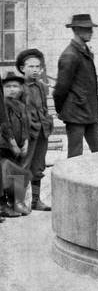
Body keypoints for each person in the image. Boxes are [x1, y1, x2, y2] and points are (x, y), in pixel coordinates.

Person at [54, 14, 98, 158]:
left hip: (89, 112)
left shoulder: (84, 51)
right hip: (76, 113)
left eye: (91, 28)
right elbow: (60, 89)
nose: (91, 32)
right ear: (76, 30)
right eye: (86, 29)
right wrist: (62, 110)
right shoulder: (70, 55)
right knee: (75, 155)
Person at [15, 48, 53, 211]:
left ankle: (36, 201)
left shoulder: (41, 87)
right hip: (26, 134)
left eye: (38, 66)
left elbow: (44, 108)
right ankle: (18, 202)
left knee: (38, 167)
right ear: (23, 68)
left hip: (42, 132)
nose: (35, 70)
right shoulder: (18, 88)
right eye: (31, 66)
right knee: (22, 167)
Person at [2, 72, 32, 216]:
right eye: (8, 86)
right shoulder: (3, 105)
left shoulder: (21, 105)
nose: (12, 89)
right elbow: (5, 125)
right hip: (6, 145)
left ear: (20, 88)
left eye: (15, 86)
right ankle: (5, 204)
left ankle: (17, 203)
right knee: (5, 173)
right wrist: (12, 142)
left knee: (18, 172)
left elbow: (26, 125)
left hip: (20, 146)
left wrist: (25, 141)